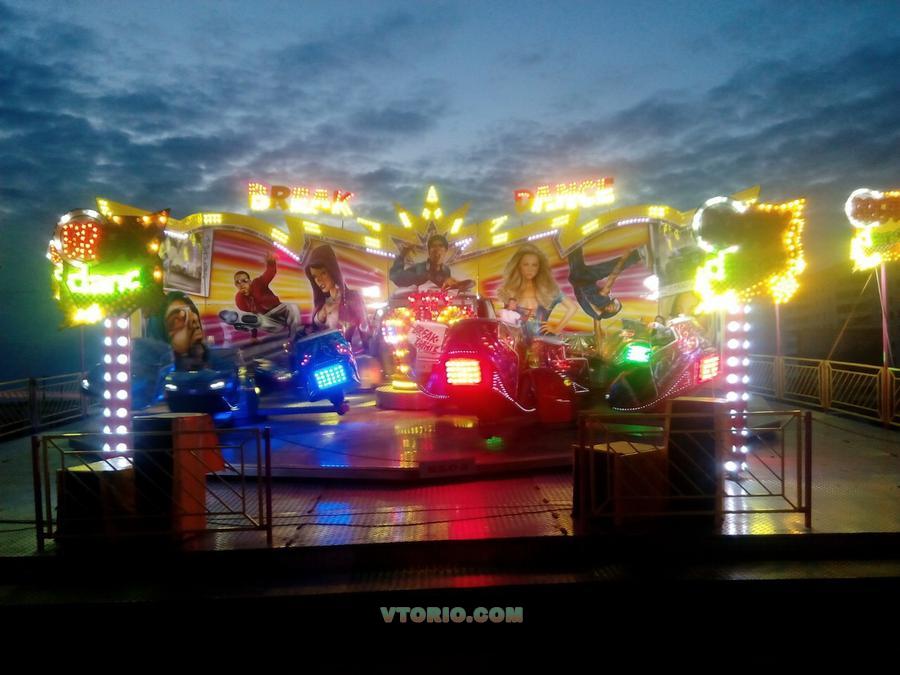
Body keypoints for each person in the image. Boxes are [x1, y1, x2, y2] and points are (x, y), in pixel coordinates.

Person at [497, 243, 578, 338]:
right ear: (519, 266)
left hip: (544, 341)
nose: (530, 269)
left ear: (539, 267)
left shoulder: (548, 290)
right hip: (518, 342)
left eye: (534, 265)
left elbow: (573, 308)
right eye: (526, 264)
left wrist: (556, 329)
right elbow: (506, 319)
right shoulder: (510, 290)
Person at [219, 252, 301, 338]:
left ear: (250, 282)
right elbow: (251, 317)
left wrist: (271, 262)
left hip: (278, 310)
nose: (241, 284)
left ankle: (295, 334)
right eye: (238, 282)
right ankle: (240, 321)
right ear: (235, 285)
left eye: (244, 281)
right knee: (259, 320)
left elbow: (269, 273)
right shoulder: (239, 299)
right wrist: (254, 336)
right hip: (268, 320)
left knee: (292, 307)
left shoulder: (258, 283)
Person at [305, 244, 370, 349]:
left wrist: (365, 350)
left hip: (348, 352)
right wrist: (322, 314)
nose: (319, 280)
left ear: (332, 271)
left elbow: (364, 329)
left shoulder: (352, 298)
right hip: (326, 354)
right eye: (314, 276)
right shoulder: (322, 303)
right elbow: (314, 331)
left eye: (323, 273)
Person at [567, 246, 644, 321]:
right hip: (577, 279)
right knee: (574, 253)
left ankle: (635, 256)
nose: (611, 307)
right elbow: (589, 304)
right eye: (613, 306)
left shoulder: (603, 300)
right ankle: (636, 255)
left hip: (584, 277)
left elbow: (613, 276)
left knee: (610, 268)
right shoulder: (596, 312)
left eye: (613, 307)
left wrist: (623, 259)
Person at [390, 234, 469, 289]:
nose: (437, 249)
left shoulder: (446, 270)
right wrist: (402, 254)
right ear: (429, 251)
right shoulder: (419, 268)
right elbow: (396, 277)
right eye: (433, 246)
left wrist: (455, 285)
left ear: (445, 250)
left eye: (440, 246)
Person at [163, 292, 209, 371]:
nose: (194, 318)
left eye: (192, 311)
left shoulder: (219, 365)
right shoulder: (165, 373)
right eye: (177, 320)